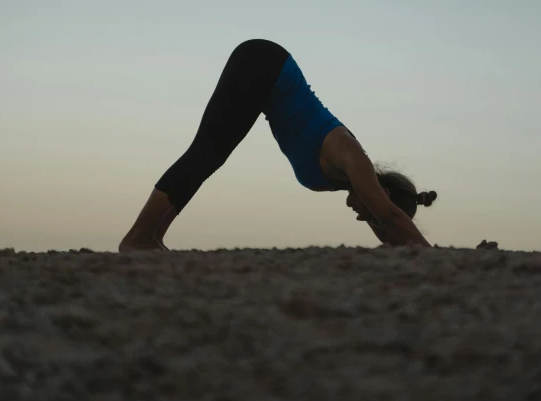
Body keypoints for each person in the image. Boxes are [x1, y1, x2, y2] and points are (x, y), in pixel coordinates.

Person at [119, 39, 437, 252]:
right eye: (368, 215)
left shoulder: (349, 179)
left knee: (209, 155)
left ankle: (150, 236)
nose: (359, 217)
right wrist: (430, 255)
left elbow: (386, 222)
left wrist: (402, 248)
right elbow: (389, 216)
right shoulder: (353, 156)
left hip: (264, 81)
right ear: (385, 196)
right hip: (265, 65)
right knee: (207, 152)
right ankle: (140, 237)